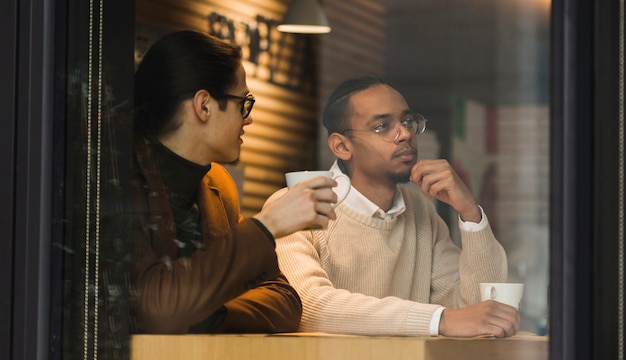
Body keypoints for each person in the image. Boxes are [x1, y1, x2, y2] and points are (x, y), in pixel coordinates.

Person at [270, 76, 520, 337]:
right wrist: (440, 319)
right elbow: (308, 306)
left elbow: (479, 310)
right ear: (342, 146)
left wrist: (469, 211)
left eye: (407, 121)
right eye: (382, 126)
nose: (405, 134)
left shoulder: (420, 210)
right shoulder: (298, 205)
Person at [130, 30, 339, 334]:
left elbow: (285, 301)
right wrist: (268, 225)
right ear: (204, 106)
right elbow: (158, 310)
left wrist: (204, 315)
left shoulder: (218, 185)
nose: (248, 118)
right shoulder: (119, 177)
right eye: (243, 102)